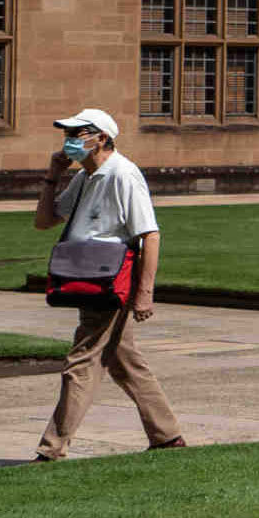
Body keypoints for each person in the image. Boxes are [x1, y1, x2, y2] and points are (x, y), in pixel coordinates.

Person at [34, 106, 183, 461]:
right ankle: (167, 436)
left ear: (101, 137)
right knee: (123, 360)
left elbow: (150, 235)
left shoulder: (123, 175)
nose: (70, 141)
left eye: (78, 134)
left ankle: (50, 449)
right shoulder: (84, 177)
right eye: (67, 135)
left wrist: (144, 294)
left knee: (81, 362)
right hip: (86, 278)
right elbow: (44, 222)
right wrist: (53, 175)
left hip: (110, 282)